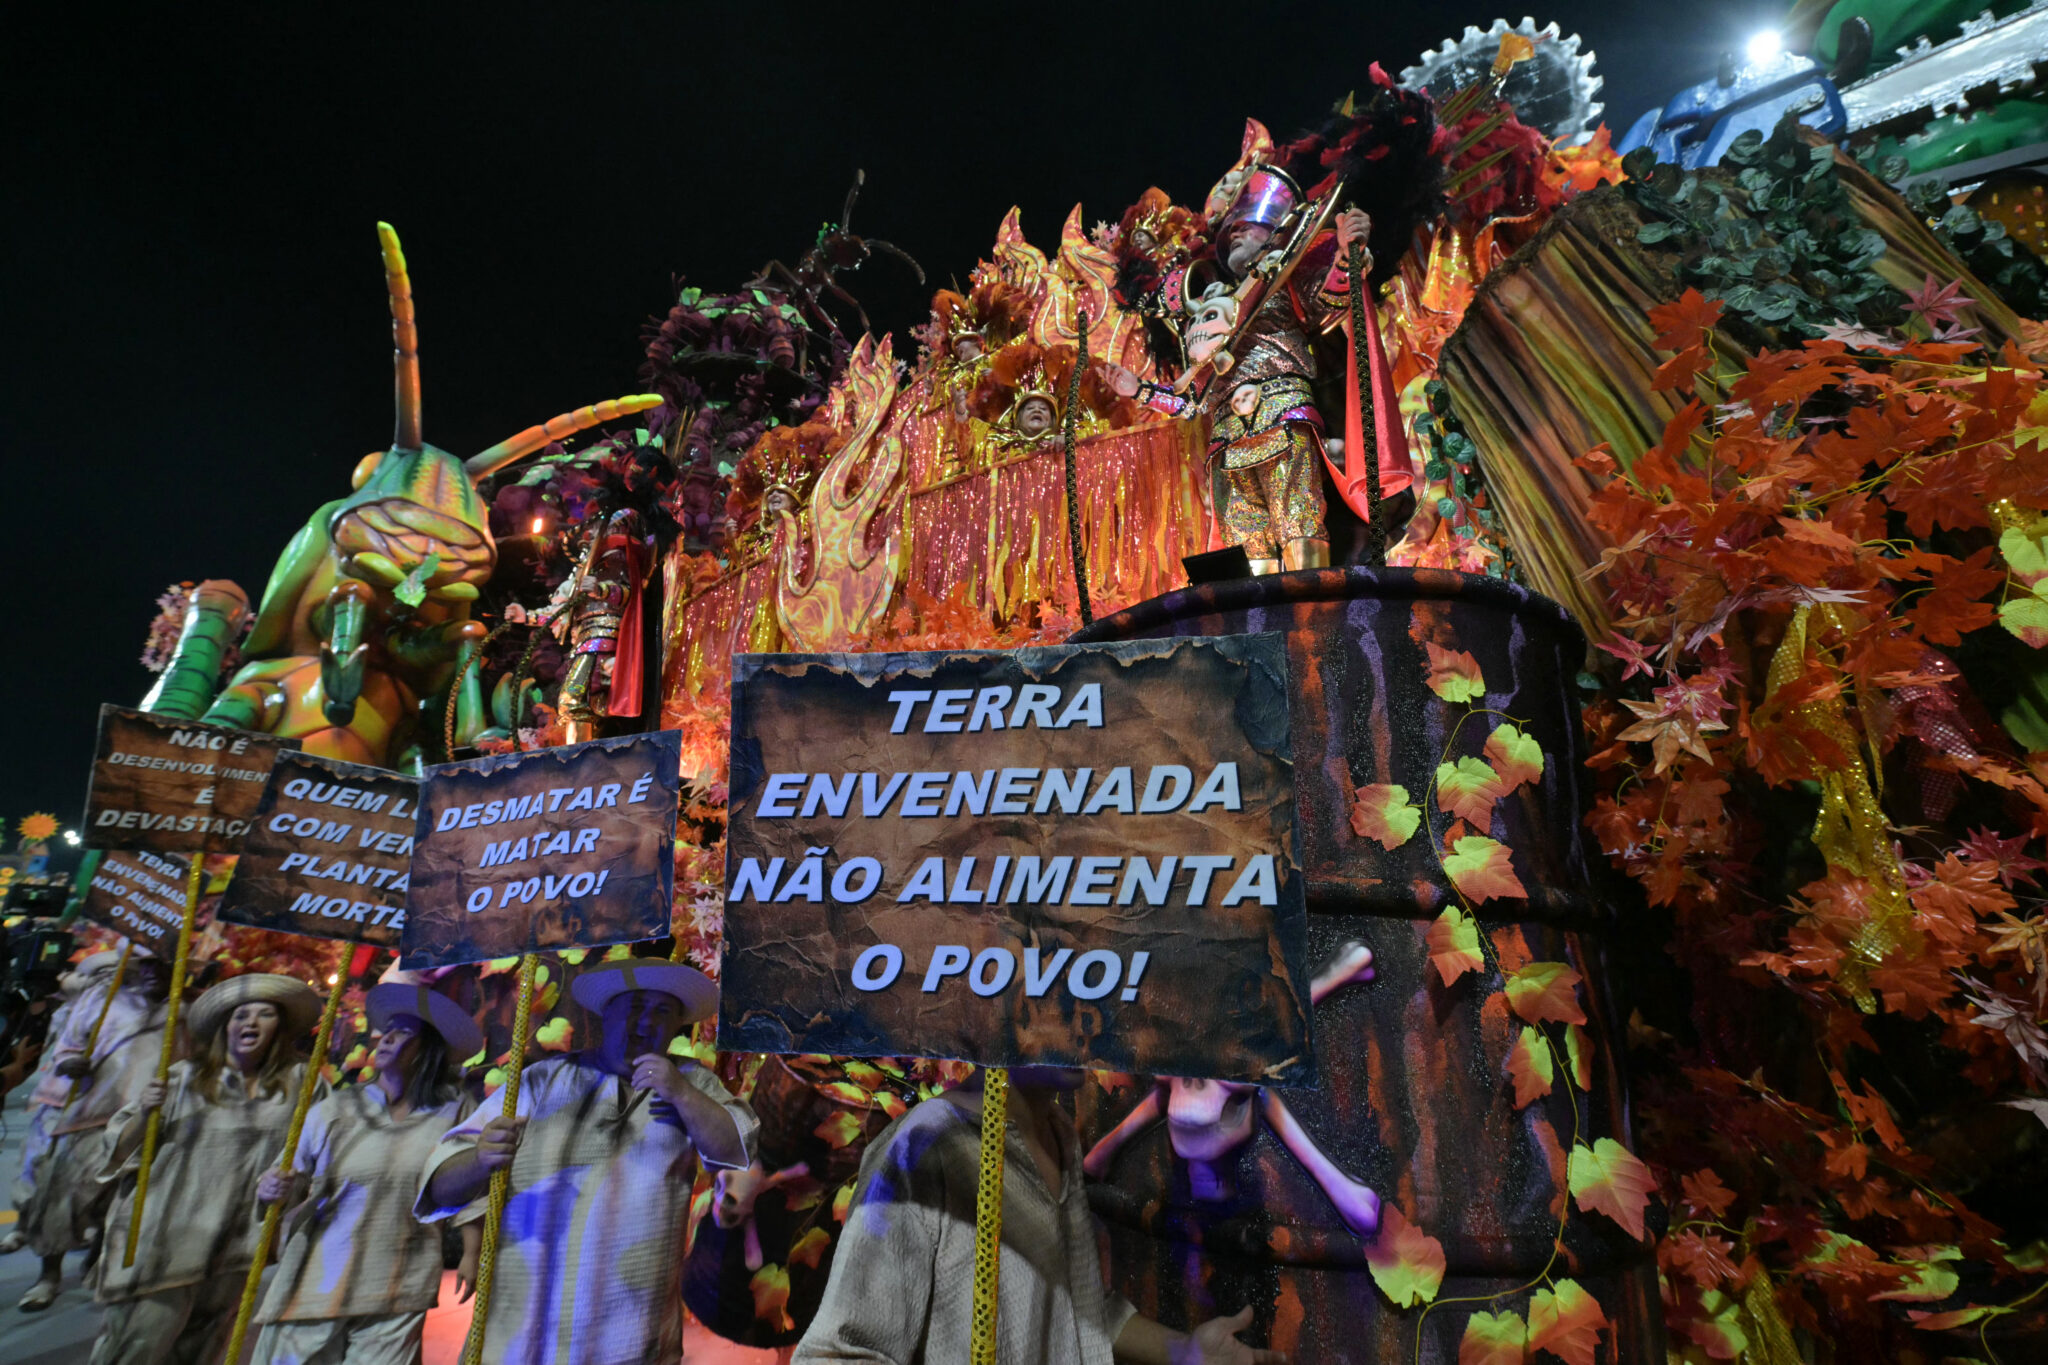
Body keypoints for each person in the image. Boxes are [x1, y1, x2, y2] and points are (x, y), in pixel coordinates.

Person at [793, 1066, 1286, 1365]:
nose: (1080, 1017)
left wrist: (1185, 1352)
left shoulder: (1059, 1136)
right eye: (1055, 991)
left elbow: (1071, 1302)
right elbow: (842, 1351)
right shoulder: (928, 1146)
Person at [416, 959, 758, 1365]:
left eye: (662, 1011)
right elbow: (437, 1186)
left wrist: (681, 1093)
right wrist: (479, 1159)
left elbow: (736, 1150)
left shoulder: (694, 1083)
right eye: (633, 1007)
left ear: (678, 1026)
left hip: (632, 1341)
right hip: (520, 1339)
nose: (645, 1021)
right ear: (606, 1013)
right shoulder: (540, 1080)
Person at [248, 978, 485, 1365]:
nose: (387, 1039)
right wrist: (273, 1186)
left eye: (404, 1032)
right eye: (387, 1030)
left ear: (429, 1049)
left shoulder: (453, 1112)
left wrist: (472, 1253)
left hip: (399, 1279)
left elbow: (470, 1188)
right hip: (317, 1275)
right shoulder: (334, 1109)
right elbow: (289, 1176)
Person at [92, 971, 320, 1365]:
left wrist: (288, 1184)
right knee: (137, 1346)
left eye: (264, 1014)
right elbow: (116, 1150)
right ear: (224, 1026)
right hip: (165, 1240)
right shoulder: (181, 1079)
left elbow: (314, 1152)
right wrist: (146, 1111)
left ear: (280, 1027)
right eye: (240, 1014)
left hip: (237, 1243)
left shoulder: (303, 1084)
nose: (250, 1022)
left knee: (202, 1347)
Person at [10, 950, 171, 1312]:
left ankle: (97, 1264)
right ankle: (48, 1276)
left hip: (141, 1122)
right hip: (87, 1115)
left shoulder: (188, 1013)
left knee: (119, 1204)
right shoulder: (104, 999)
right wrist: (71, 1062)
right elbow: (68, 1044)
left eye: (162, 965)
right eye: (145, 965)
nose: (152, 972)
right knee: (60, 1196)